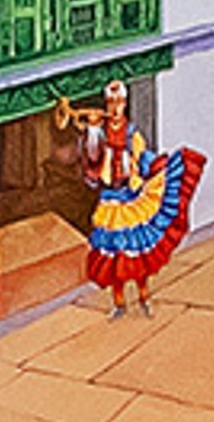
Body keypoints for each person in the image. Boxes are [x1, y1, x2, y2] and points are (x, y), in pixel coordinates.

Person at [68, 81, 201, 316]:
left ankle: (143, 297)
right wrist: (92, 130)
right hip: (111, 199)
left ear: (125, 104)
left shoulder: (132, 134)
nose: (115, 107)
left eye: (119, 102)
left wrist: (155, 170)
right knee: (115, 256)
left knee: (137, 253)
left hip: (131, 197)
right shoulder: (100, 132)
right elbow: (92, 159)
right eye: (111, 102)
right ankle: (119, 303)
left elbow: (144, 159)